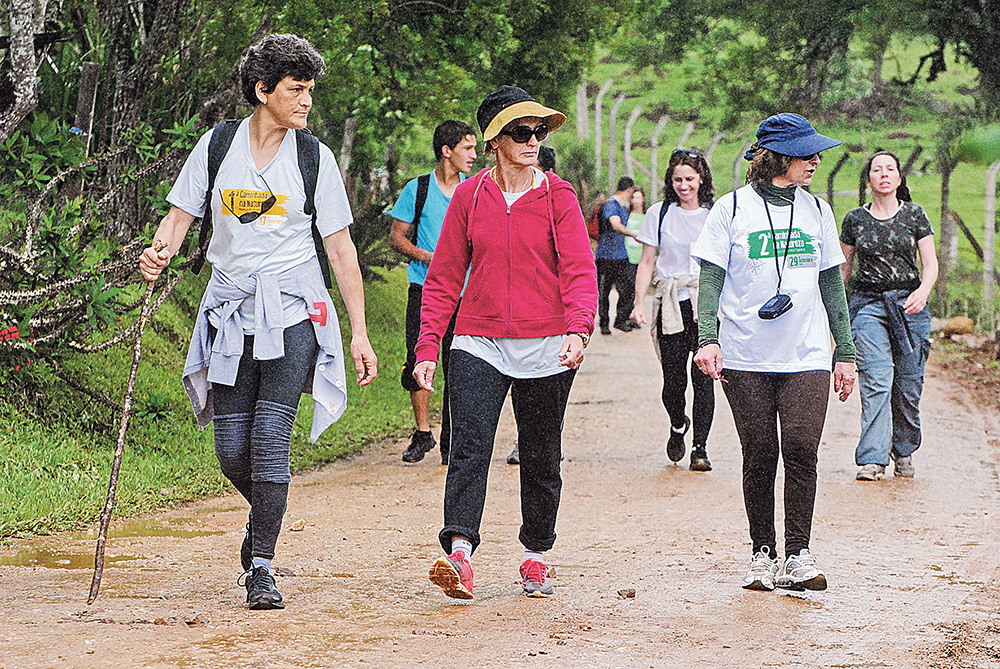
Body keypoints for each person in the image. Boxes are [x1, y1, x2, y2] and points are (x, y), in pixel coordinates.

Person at [138, 34, 378, 610]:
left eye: (310, 91)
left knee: (270, 440)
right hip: (229, 310)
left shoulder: (312, 157)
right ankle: (264, 518)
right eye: (296, 91)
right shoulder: (218, 146)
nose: (306, 103)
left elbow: (342, 251)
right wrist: (159, 252)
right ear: (262, 89)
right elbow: (179, 217)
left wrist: (359, 331)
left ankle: (262, 564)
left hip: (294, 310)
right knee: (229, 449)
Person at [413, 85, 597, 600]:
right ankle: (460, 555)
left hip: (548, 344)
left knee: (541, 455)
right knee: (469, 448)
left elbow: (580, 270)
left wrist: (579, 329)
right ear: (495, 139)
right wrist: (428, 348)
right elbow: (446, 276)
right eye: (521, 131)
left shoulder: (558, 196)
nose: (532, 139)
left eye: (538, 131)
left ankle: (536, 555)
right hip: (478, 341)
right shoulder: (471, 197)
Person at [691, 113, 856, 593]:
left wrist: (843, 351)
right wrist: (707, 337)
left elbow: (831, 283)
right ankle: (762, 552)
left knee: (802, 450)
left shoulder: (818, 211)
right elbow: (711, 278)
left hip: (806, 354)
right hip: (746, 354)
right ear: (780, 157)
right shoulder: (731, 208)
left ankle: (799, 554)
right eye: (808, 153)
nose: (817, 161)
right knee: (759, 453)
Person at [840, 151, 937, 481]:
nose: (883, 174)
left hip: (910, 306)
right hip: (868, 306)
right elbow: (844, 270)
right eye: (876, 170)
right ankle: (873, 458)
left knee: (908, 385)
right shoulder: (855, 220)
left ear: (898, 178)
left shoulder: (915, 215)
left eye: (890, 169)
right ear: (869, 180)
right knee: (878, 380)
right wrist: (837, 313)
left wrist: (923, 292)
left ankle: (904, 449)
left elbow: (931, 264)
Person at [389, 120, 478, 465]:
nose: (473, 155)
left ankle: (452, 440)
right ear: (447, 151)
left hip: (466, 293)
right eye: (467, 148)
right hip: (424, 289)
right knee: (418, 359)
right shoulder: (418, 189)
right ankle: (423, 432)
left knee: (460, 366)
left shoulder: (474, 191)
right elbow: (397, 237)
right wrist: (427, 255)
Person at [631, 150, 716, 470]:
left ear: (701, 179)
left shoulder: (714, 213)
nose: (684, 185)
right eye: (678, 179)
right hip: (670, 300)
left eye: (690, 179)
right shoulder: (659, 213)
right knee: (674, 380)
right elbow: (648, 261)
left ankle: (700, 448)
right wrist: (639, 302)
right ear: (671, 181)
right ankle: (678, 423)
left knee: (704, 376)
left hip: (704, 301)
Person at [595, 177, 640, 334]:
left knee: (628, 288)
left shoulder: (621, 206)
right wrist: (633, 235)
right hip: (606, 255)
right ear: (628, 190)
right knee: (604, 291)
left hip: (621, 255)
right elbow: (615, 224)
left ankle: (621, 319)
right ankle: (604, 322)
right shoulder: (611, 206)